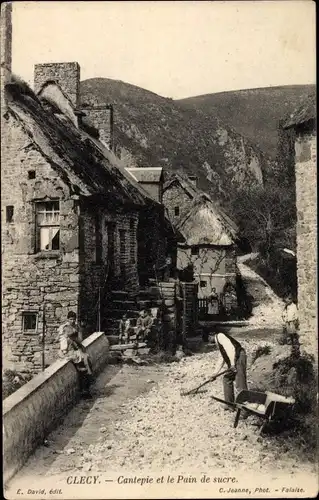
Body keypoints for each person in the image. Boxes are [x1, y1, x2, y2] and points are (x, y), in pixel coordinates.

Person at [210, 331, 248, 411]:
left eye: (209, 338)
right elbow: (222, 358)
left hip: (239, 357)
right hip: (233, 361)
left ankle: (245, 410)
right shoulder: (219, 342)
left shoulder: (220, 336)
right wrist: (214, 373)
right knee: (227, 379)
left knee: (240, 383)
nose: (209, 341)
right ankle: (229, 404)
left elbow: (231, 349)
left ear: (211, 335)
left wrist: (233, 364)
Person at [57, 311, 93, 376]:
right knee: (77, 356)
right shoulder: (65, 327)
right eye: (71, 319)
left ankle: (88, 373)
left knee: (85, 357)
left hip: (76, 346)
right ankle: (79, 368)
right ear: (67, 319)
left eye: (74, 319)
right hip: (68, 348)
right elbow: (62, 339)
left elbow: (80, 339)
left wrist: (74, 338)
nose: (72, 321)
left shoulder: (77, 327)